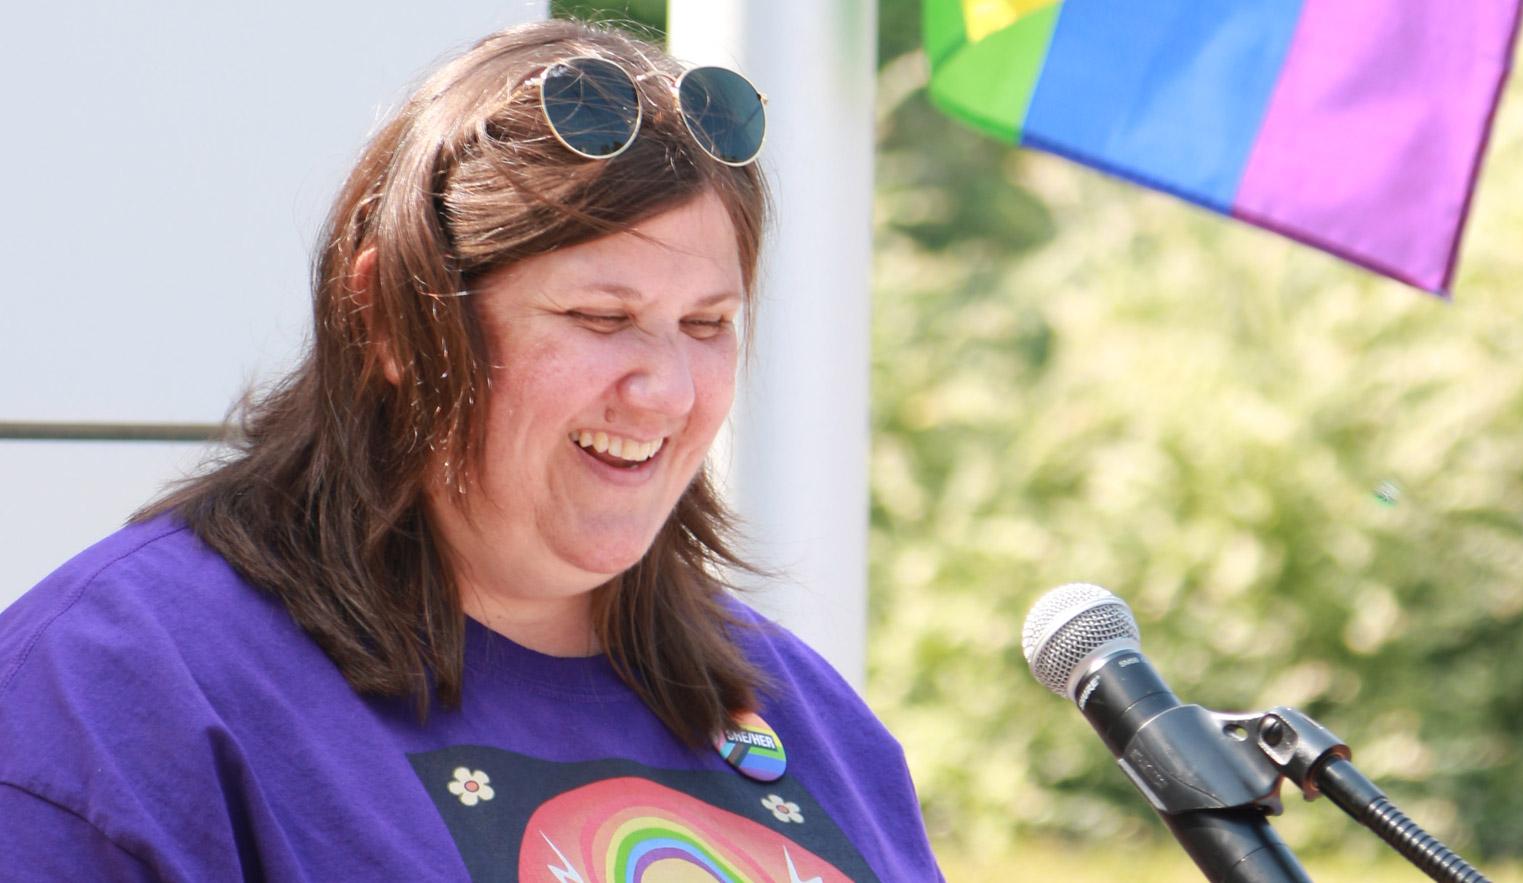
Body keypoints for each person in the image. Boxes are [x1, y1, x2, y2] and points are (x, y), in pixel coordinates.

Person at [0, 19, 942, 882]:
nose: (668, 389)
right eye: (599, 317)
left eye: (707, 323)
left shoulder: (807, 716)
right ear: (393, 322)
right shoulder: (113, 689)